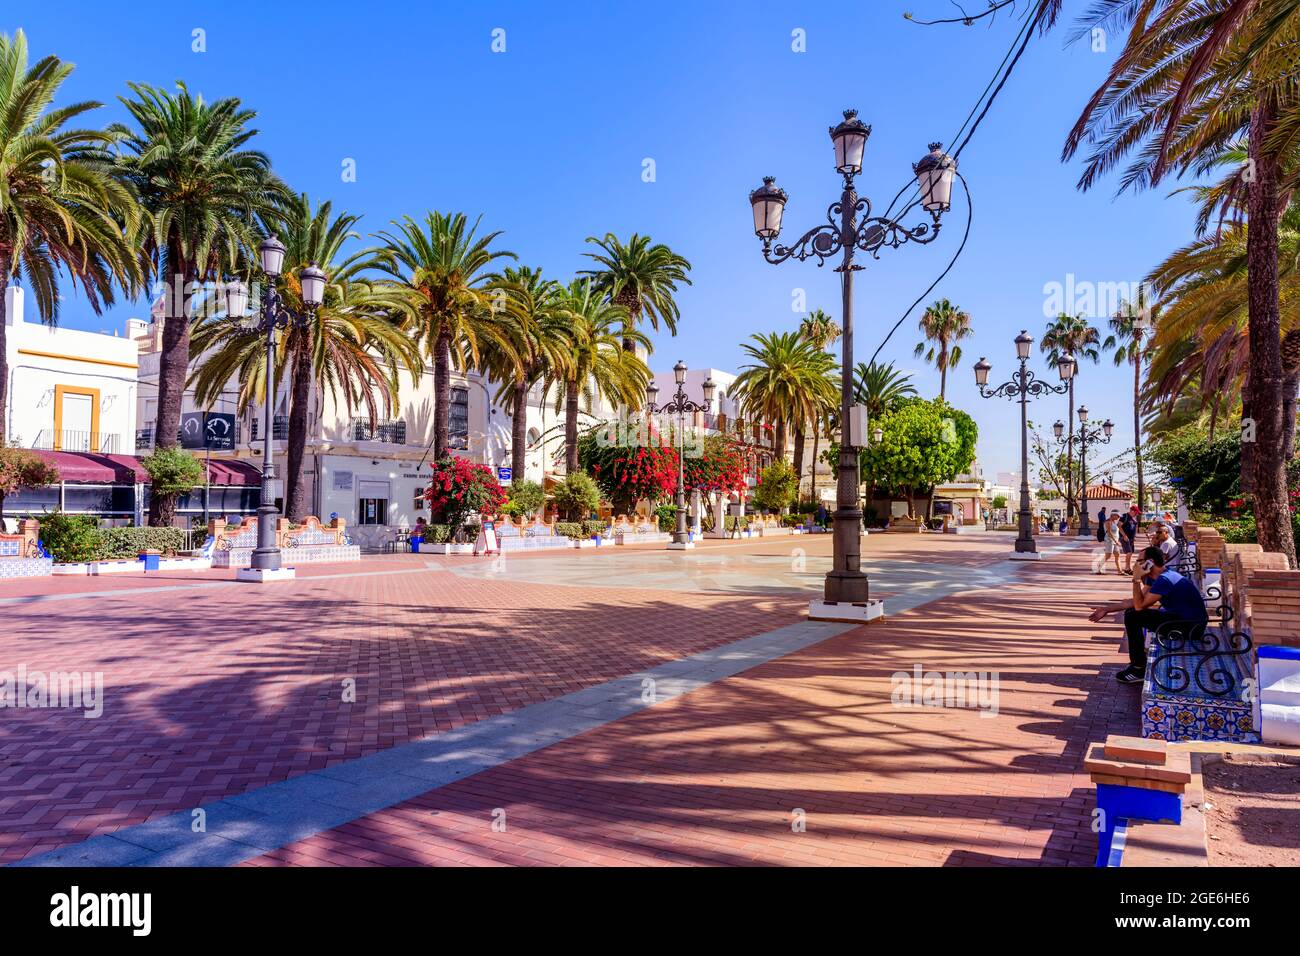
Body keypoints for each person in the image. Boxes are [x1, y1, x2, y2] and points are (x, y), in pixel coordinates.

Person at [1088, 545, 1208, 684]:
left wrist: (1136, 579)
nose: (1136, 565)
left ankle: (1138, 668)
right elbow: (1135, 602)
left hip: (1192, 628)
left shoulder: (1164, 579)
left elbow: (1139, 606)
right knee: (1132, 614)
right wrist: (1107, 609)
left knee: (1133, 617)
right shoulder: (1155, 577)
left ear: (1150, 562)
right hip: (1180, 620)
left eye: (1140, 561)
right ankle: (1137, 663)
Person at [1102, 510, 1123, 574]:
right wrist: (1116, 541)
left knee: (1117, 554)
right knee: (1108, 555)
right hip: (1109, 540)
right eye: (1118, 516)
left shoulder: (1114, 522)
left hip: (1115, 541)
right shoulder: (1108, 522)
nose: (1119, 517)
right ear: (1113, 515)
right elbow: (1109, 533)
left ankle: (1120, 571)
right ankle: (1098, 567)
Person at [1119, 505, 1139, 573]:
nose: (1136, 514)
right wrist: (1124, 535)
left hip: (1131, 538)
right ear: (1132, 511)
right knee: (1129, 552)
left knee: (1131, 553)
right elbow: (1119, 525)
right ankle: (1127, 568)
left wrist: (1134, 536)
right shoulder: (1124, 516)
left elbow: (1135, 527)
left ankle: (1128, 568)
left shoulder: (1134, 518)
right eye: (1136, 512)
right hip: (1125, 537)